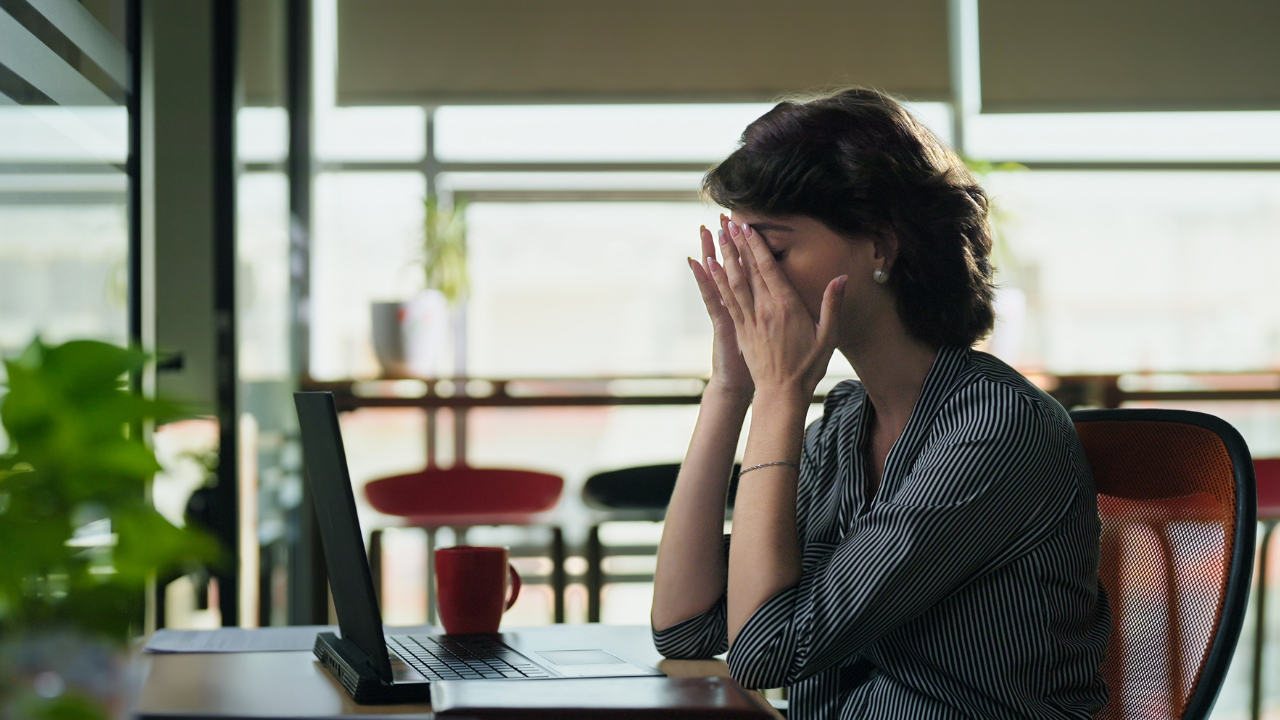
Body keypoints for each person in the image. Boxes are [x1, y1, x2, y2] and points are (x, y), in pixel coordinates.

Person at [650, 88, 1110, 719]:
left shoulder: (994, 429)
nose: (749, 280)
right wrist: (730, 390)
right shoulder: (842, 428)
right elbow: (687, 628)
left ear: (879, 248)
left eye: (773, 251)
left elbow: (764, 653)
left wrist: (782, 395)